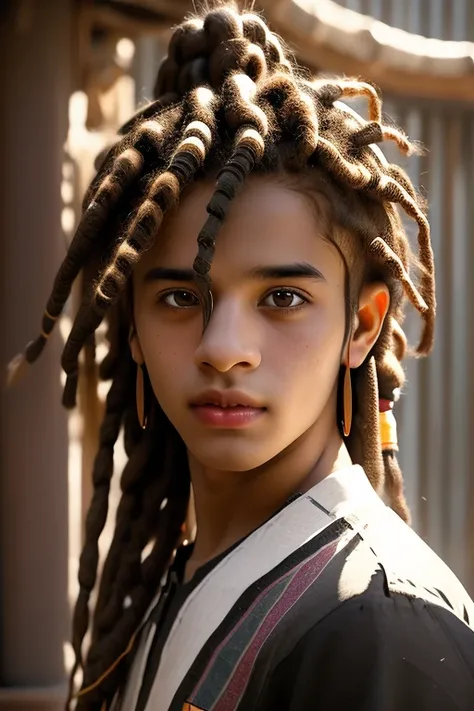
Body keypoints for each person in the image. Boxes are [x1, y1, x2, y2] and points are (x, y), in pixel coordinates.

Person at [8, 4, 474, 710]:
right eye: (180, 298)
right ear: (130, 323)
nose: (223, 349)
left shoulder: (382, 627)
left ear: (363, 323)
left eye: (283, 297)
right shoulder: (166, 582)